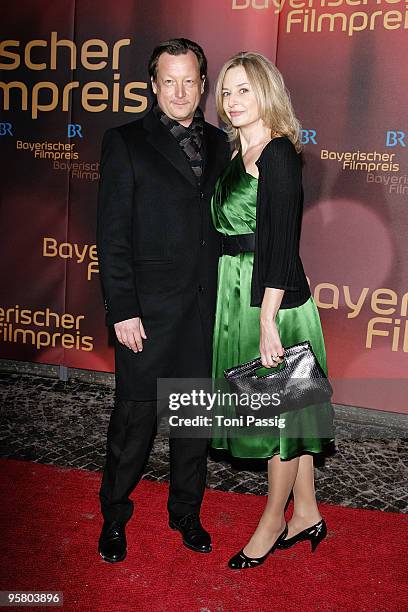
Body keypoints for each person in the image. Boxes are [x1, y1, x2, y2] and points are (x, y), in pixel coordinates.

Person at [96, 38, 230, 563]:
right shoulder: (125, 141)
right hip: (146, 315)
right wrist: (122, 308)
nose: (179, 91)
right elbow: (112, 235)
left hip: (204, 309)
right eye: (168, 80)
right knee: (133, 424)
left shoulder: (223, 145)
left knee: (192, 423)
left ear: (203, 85)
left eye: (189, 80)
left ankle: (186, 514)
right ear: (152, 86)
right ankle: (113, 517)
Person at [210, 52, 334, 570]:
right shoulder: (238, 151)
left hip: (270, 301)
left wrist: (266, 318)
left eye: (244, 90)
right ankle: (306, 509)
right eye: (227, 92)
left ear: (266, 93)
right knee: (290, 413)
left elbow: (282, 241)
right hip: (239, 291)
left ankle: (272, 520)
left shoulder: (277, 152)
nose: (234, 101)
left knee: (275, 417)